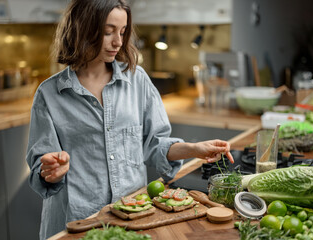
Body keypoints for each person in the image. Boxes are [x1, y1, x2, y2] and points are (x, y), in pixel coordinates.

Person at [26, 0, 234, 239]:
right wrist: (50, 170)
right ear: (82, 29)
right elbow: (40, 170)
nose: (118, 42)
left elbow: (154, 145)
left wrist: (194, 149)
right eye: (108, 32)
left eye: (122, 32)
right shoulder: (49, 94)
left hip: (133, 218)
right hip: (77, 222)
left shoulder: (137, 80)